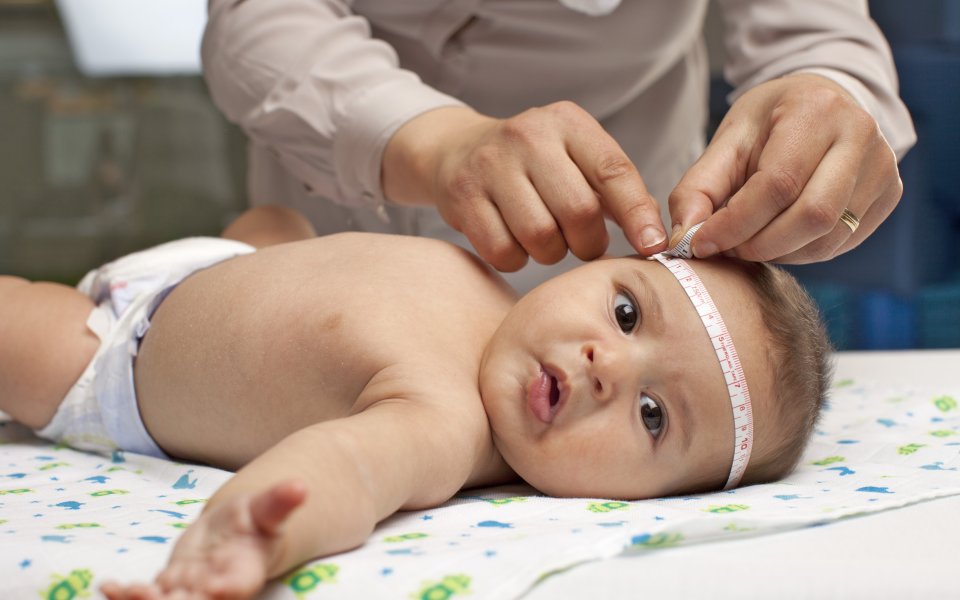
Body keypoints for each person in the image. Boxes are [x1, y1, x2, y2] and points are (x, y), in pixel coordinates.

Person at [0, 205, 833, 599]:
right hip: (228, 263)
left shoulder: (445, 421)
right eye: (625, 312)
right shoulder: (497, 289)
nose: (607, 364)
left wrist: (254, 532)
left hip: (112, 352)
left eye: (653, 417)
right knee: (281, 222)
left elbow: (349, 472)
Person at [201, 0, 916, 292]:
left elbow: (818, 31)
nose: (599, 369)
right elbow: (259, 15)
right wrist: (434, 145)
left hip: (619, 194)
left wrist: (831, 96)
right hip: (336, 197)